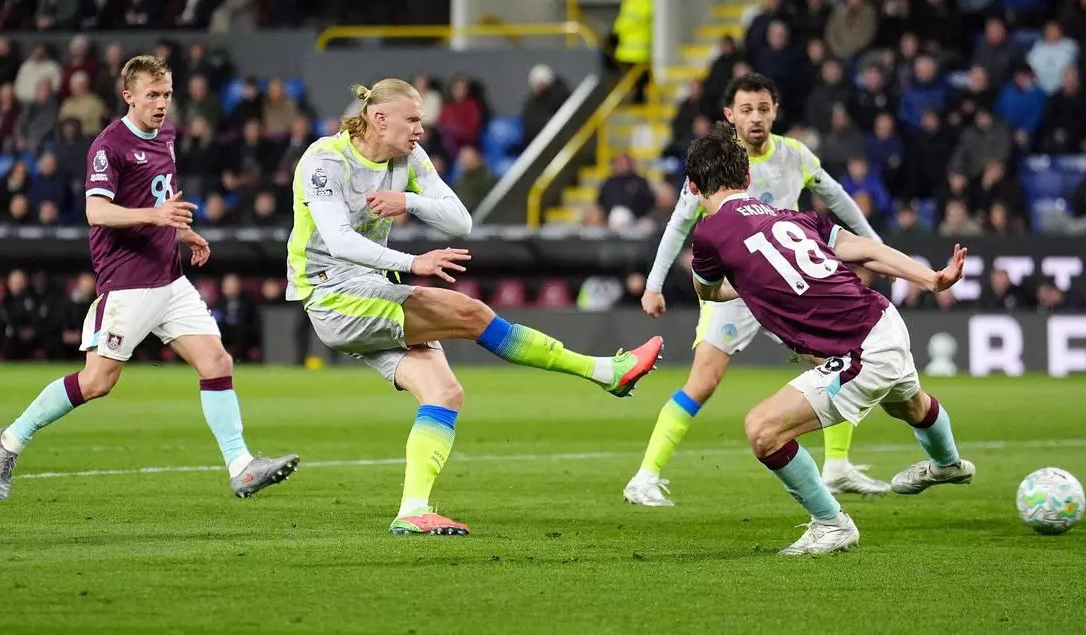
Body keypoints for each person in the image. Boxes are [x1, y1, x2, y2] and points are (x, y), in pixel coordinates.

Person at [286, 78, 664, 536]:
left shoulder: (406, 159)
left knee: (445, 394)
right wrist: (414, 261)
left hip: (369, 290)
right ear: (378, 119)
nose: (420, 130)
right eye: (412, 119)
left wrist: (409, 199)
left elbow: (460, 221)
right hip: (332, 294)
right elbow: (340, 240)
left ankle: (412, 510)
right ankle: (605, 371)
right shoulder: (326, 160)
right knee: (473, 314)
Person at [0, 55, 298, 501]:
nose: (162, 103)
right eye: (153, 95)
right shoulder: (108, 145)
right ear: (128, 95)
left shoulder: (166, 135)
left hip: (169, 279)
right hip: (128, 281)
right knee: (98, 382)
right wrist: (156, 216)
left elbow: (162, 197)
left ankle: (241, 465)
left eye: (167, 93)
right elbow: (96, 211)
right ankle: (8, 441)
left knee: (217, 362)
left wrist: (184, 231)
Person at [685, 123, 975, 555]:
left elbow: (707, 290)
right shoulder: (793, 218)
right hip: (884, 319)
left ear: (692, 186)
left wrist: (735, 286)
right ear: (747, 179)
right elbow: (869, 251)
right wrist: (932, 278)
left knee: (763, 431)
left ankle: (832, 523)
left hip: (860, 349)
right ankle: (949, 464)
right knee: (910, 405)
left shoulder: (709, 235)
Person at [625, 73, 888, 507]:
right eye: (746, 110)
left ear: (775, 111)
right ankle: (645, 476)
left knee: (838, 363)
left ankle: (838, 466)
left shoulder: (795, 155)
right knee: (704, 381)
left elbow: (838, 199)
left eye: (763, 109)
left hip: (789, 285)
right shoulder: (716, 165)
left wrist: (874, 247)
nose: (756, 118)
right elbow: (679, 223)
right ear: (729, 115)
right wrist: (654, 284)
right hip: (734, 287)